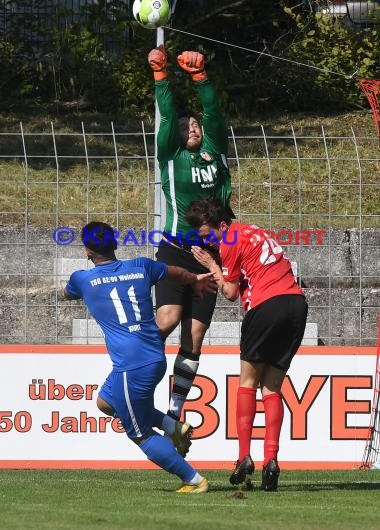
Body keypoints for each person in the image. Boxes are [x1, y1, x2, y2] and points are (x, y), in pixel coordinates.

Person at [63, 221, 217, 493]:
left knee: (140, 433)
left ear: (87, 251)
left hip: (130, 366)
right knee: (105, 403)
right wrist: (194, 280)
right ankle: (172, 426)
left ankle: (194, 481)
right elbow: (176, 272)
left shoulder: (81, 279)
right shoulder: (142, 266)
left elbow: (67, 293)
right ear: (115, 244)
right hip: (154, 357)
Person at [185, 198, 308, 492]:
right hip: (296, 305)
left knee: (247, 383)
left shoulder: (229, 240)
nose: (206, 241)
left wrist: (212, 264)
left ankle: (243, 458)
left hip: (266, 306)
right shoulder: (253, 231)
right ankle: (272, 461)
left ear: (222, 226)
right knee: (273, 387)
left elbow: (229, 291)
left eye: (208, 235)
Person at [148, 44, 233, 421]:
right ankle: (133, 376)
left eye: (195, 124)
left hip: (212, 253)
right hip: (174, 250)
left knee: (194, 338)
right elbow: (166, 117)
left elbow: (214, 112)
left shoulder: (215, 150)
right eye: (186, 126)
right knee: (166, 319)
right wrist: (162, 77)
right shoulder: (170, 155)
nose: (193, 127)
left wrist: (201, 78)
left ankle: (173, 412)